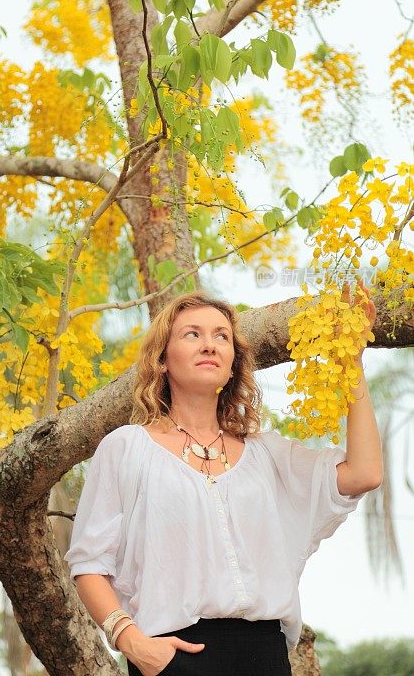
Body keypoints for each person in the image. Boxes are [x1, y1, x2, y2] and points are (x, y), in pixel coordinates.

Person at [64, 286, 383, 676]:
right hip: (171, 657)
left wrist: (352, 362)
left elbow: (364, 473)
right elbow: (89, 562)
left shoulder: (266, 454)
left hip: (265, 657)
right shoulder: (126, 447)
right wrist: (131, 641)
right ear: (162, 359)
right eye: (192, 334)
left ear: (233, 364)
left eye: (222, 336)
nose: (209, 345)